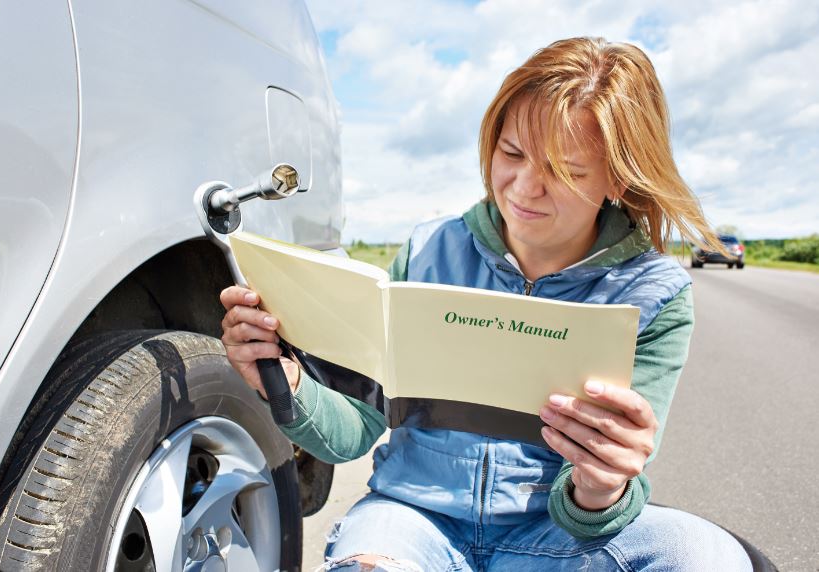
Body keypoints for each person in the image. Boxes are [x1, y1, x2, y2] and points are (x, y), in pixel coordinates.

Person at [220, 37, 751, 571]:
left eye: (565, 172)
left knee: (706, 555)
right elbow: (354, 429)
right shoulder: (427, 251)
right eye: (511, 153)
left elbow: (600, 514)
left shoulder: (653, 296)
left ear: (618, 177)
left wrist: (601, 485)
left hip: (554, 540)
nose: (523, 189)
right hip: (414, 519)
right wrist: (286, 380)